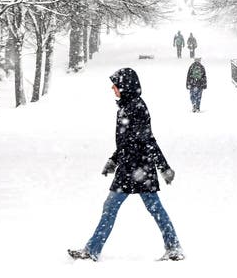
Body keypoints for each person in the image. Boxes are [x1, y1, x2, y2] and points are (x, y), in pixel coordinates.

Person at [68, 68, 184, 262]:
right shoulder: (126, 106)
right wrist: (113, 160)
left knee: (150, 207)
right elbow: (126, 142)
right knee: (115, 207)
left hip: (140, 168)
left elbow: (148, 140)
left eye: (116, 85)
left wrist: (163, 167)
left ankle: (173, 248)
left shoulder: (136, 107)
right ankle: (92, 250)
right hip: (129, 168)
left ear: (126, 86)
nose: (113, 88)